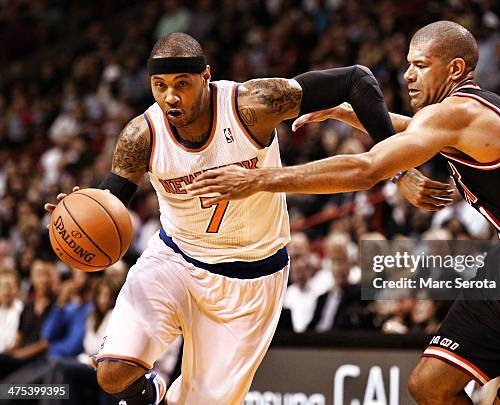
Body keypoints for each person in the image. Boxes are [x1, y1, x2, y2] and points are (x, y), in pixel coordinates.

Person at [189, 21, 500, 404]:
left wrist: (260, 180)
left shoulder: (462, 114)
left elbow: (368, 168)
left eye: (420, 65)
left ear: (455, 69)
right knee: (428, 385)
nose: (407, 74)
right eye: (407, 64)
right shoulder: (464, 114)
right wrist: (345, 112)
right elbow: (414, 131)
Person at [44, 32, 449, 405]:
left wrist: (399, 167)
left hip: (252, 277)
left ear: (206, 76)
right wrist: (78, 212)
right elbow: (112, 200)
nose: (171, 98)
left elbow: (357, 80)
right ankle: (152, 394)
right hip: (174, 260)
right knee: (112, 374)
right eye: (160, 87)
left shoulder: (251, 106)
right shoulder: (141, 135)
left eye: (182, 84)